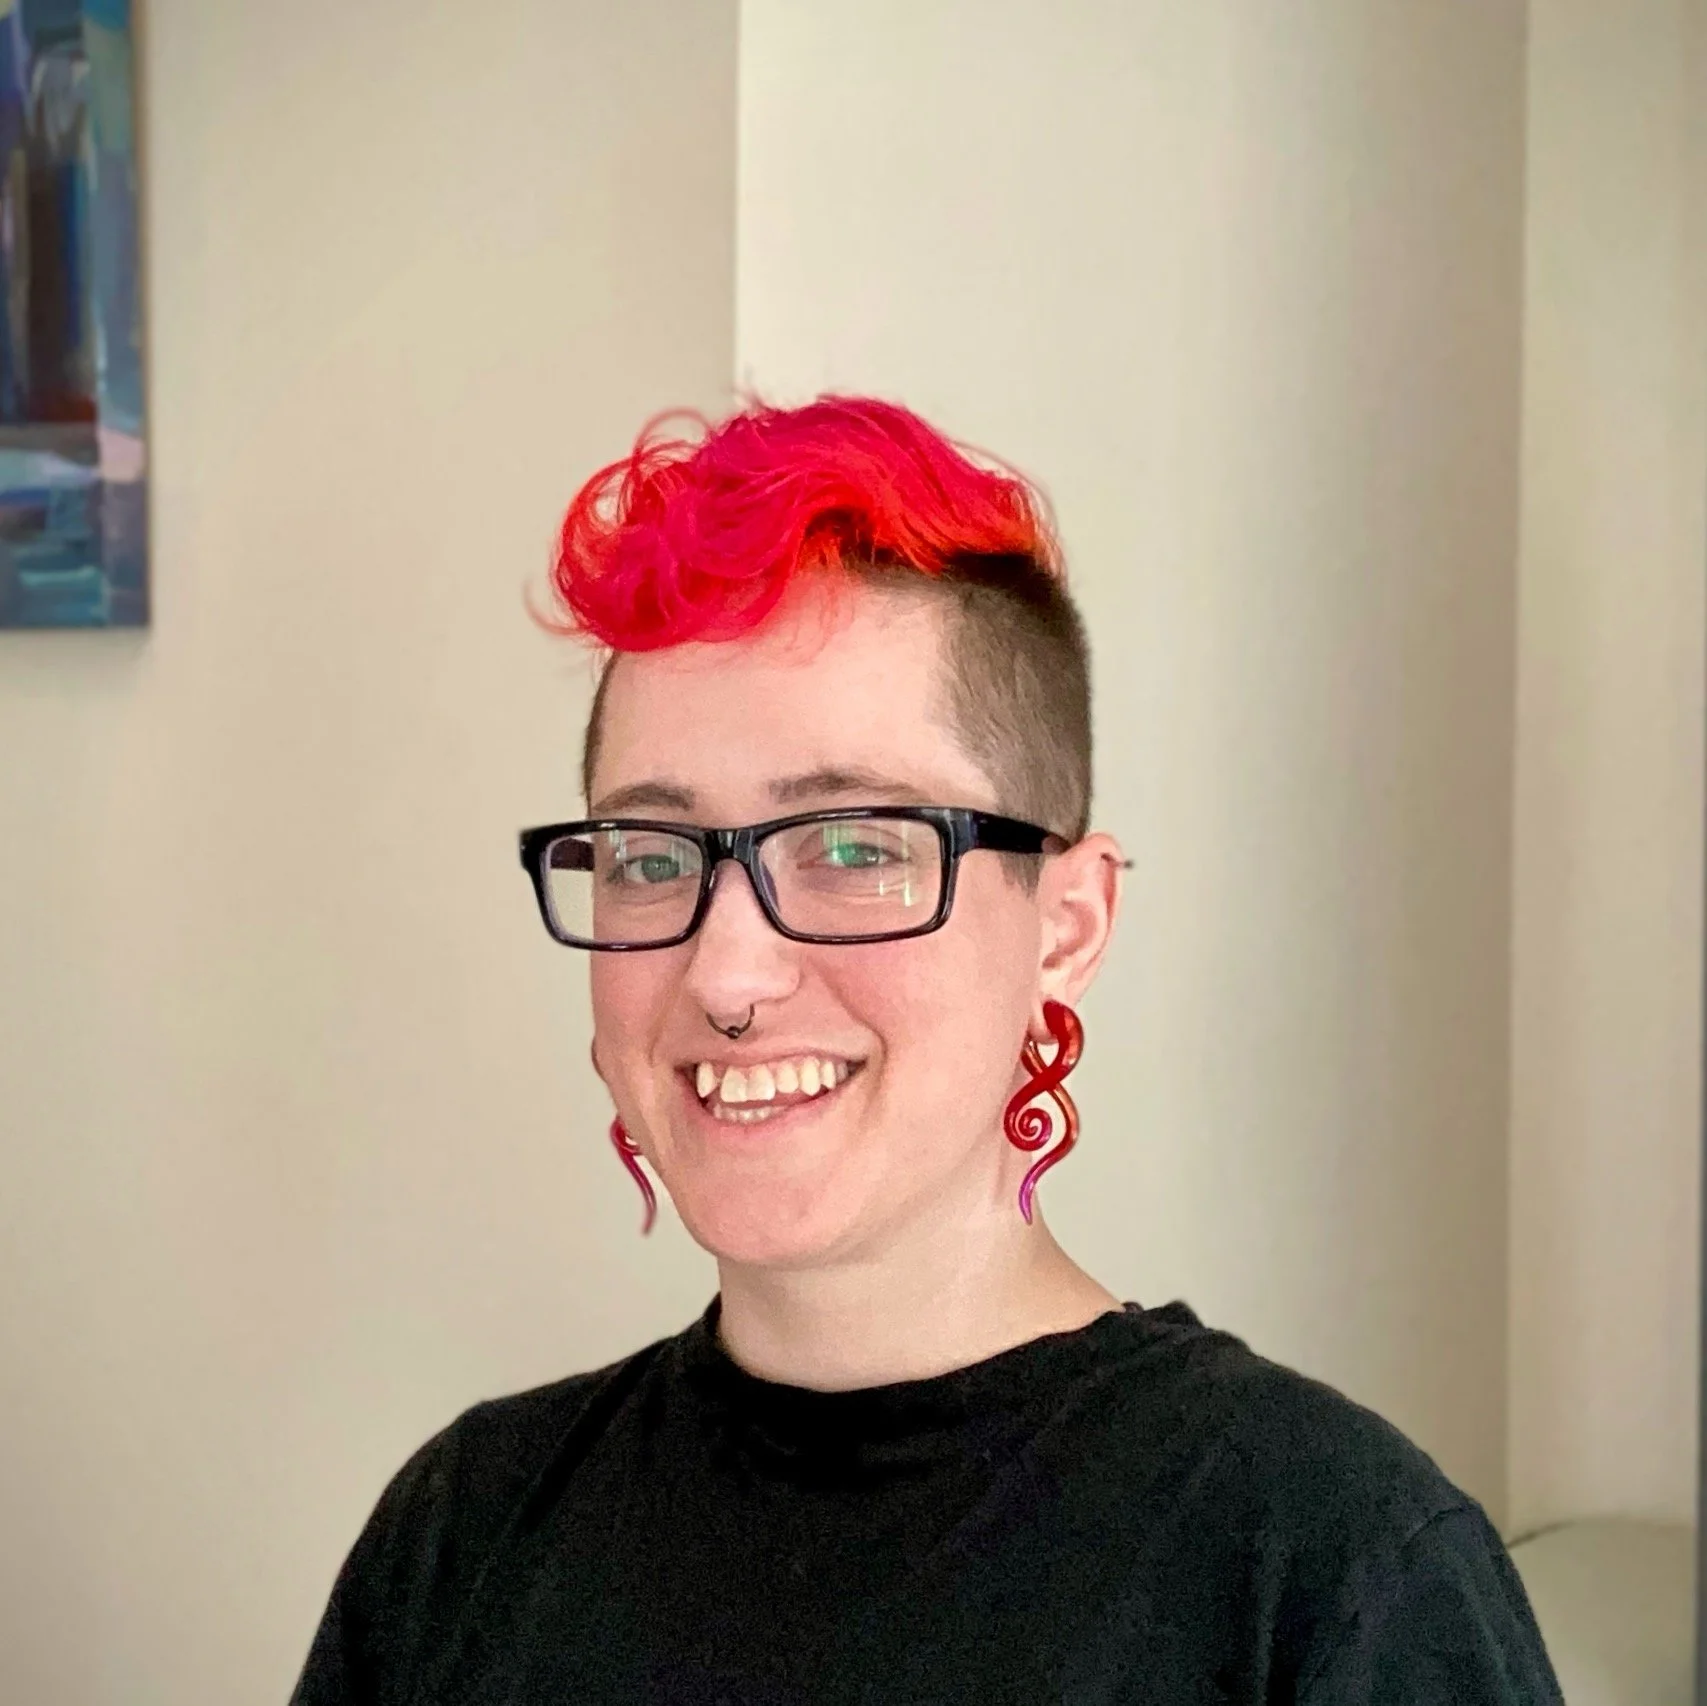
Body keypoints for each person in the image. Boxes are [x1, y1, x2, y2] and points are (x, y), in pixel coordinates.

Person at [290, 397, 1562, 1704]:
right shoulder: (464, 1533)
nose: (726, 974)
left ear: (1065, 925)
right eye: (651, 855)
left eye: (853, 847)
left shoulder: (1328, 1567)